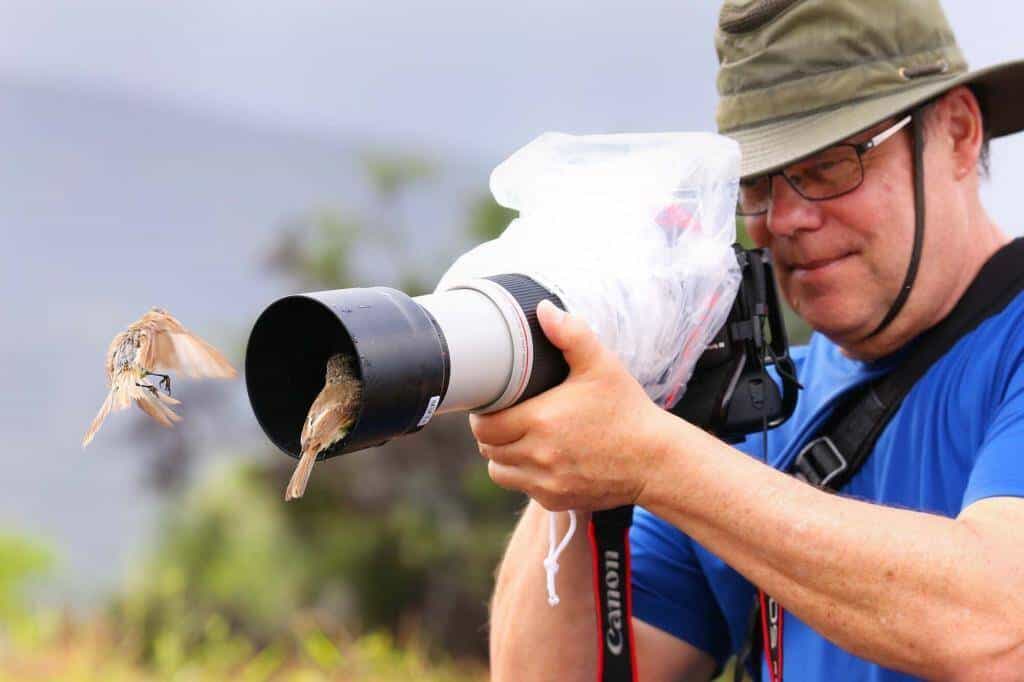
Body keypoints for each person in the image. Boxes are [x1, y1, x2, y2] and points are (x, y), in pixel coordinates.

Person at [476, 1, 1024, 680]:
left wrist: (652, 458)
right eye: (757, 183)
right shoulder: (749, 412)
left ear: (960, 134)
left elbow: (1002, 628)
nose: (786, 218)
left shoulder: (685, 460)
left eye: (830, 165)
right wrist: (577, 403)